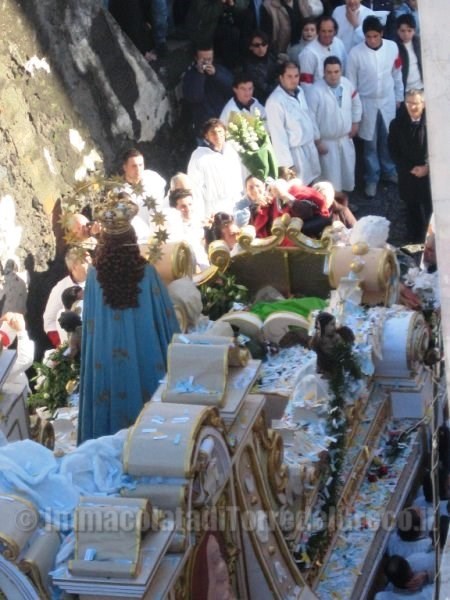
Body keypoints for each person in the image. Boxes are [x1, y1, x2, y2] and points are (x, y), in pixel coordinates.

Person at [78, 194, 179, 443]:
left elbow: (89, 324)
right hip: (145, 354)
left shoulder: (93, 276)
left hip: (104, 356)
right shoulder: (147, 273)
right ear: (132, 240)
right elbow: (165, 320)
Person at [346, 15, 403, 198]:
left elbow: (397, 73)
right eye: (368, 37)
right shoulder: (355, 54)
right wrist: (355, 109)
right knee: (370, 143)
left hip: (387, 100)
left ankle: (389, 170)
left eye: (375, 36)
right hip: (367, 102)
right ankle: (372, 177)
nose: (372, 40)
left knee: (387, 139)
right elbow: (351, 84)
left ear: (381, 33)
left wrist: (399, 96)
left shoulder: (392, 48)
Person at [305, 56, 362, 193]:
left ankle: (344, 201)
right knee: (330, 180)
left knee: (346, 174)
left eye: (336, 72)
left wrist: (355, 122)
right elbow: (310, 118)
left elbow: (356, 103)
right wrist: (318, 141)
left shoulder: (347, 84)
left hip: (345, 139)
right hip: (327, 143)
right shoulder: (315, 91)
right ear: (323, 72)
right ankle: (331, 204)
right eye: (329, 72)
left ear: (341, 71)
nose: (333, 76)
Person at [265, 61, 321, 185]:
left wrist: (316, 138)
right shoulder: (275, 102)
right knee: (298, 189)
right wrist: (288, 165)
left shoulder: (300, 91)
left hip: (308, 148)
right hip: (294, 154)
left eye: (296, 76)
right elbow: (278, 136)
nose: (293, 80)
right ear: (281, 78)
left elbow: (308, 116)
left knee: (313, 185)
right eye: (289, 76)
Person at [388, 89, 431, 243]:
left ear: (423, 104)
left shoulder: (433, 122)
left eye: (416, 103)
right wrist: (409, 168)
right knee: (411, 207)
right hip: (408, 174)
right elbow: (393, 150)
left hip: (429, 175)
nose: (412, 107)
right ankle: (414, 238)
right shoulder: (397, 124)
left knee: (431, 208)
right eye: (409, 103)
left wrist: (427, 168)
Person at [187, 118, 243, 220]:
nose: (217, 135)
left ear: (225, 132)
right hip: (213, 209)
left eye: (220, 131)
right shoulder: (199, 156)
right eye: (213, 133)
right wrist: (200, 215)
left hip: (235, 204)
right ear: (206, 136)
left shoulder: (231, 151)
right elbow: (195, 188)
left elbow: (239, 177)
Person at [43, 248, 91, 347]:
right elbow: (49, 320)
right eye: (84, 262)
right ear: (74, 267)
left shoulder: (99, 283)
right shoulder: (60, 288)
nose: (90, 264)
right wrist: (63, 345)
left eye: (90, 259)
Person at [182, 46, 233, 137]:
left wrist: (216, 74)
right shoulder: (190, 75)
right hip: (204, 125)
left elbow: (232, 88)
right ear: (196, 58)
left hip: (223, 119)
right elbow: (194, 97)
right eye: (203, 60)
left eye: (209, 59)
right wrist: (200, 75)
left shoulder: (220, 70)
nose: (206, 62)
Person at [119, 148, 167, 238]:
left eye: (140, 165)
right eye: (134, 166)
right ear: (125, 167)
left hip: (160, 231)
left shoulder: (153, 177)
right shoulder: (118, 191)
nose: (138, 169)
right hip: (137, 237)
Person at [298, 16, 347, 87]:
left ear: (335, 32)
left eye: (330, 31)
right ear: (318, 32)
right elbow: (306, 84)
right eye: (323, 31)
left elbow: (344, 70)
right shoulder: (308, 53)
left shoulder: (339, 44)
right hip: (318, 92)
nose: (327, 35)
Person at [244, 30, 279, 103]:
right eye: (257, 45)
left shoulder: (271, 57)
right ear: (251, 47)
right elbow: (265, 89)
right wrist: (281, 81)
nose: (261, 48)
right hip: (262, 101)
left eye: (264, 44)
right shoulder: (250, 67)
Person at [395, 14, 423, 93]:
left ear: (414, 30)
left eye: (409, 30)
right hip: (404, 90)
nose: (406, 34)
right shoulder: (394, 47)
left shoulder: (420, 43)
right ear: (397, 31)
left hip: (421, 87)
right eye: (402, 31)